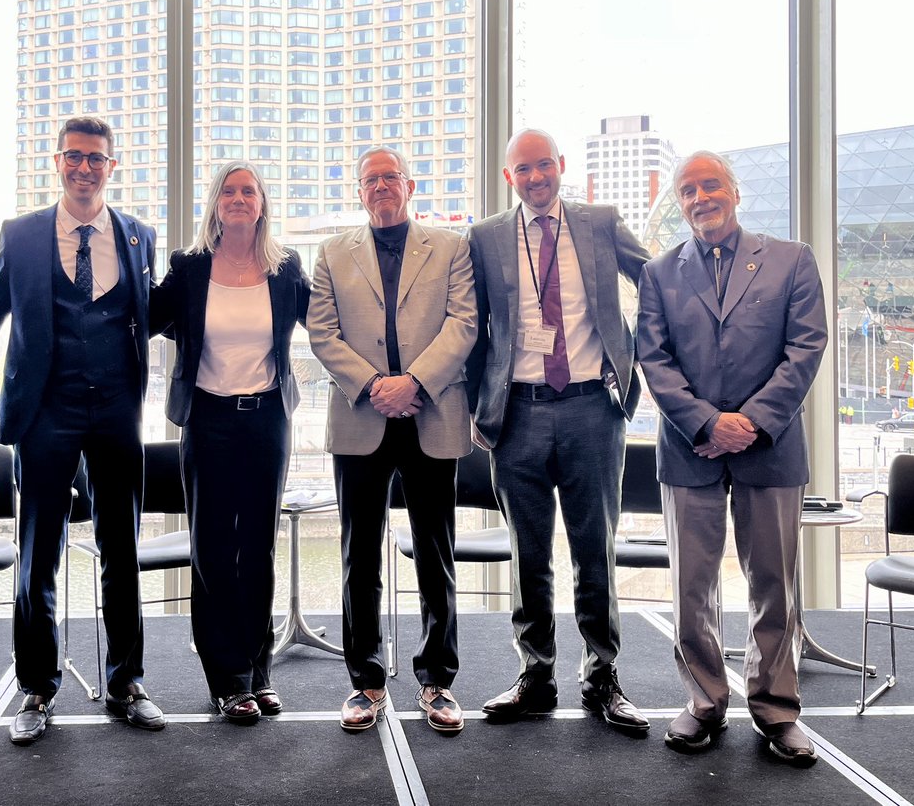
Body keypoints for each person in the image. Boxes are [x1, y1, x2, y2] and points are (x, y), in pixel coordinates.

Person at [637, 151, 827, 764]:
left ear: (735, 191)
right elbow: (654, 359)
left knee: (774, 583)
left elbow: (805, 347)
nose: (700, 198)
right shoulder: (659, 272)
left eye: (710, 185)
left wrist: (752, 422)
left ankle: (775, 708)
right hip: (689, 447)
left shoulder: (791, 259)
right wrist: (706, 422)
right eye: (687, 190)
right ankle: (703, 701)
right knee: (693, 586)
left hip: (768, 446)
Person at [465, 129, 650, 733]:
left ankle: (602, 677)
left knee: (594, 548)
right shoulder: (487, 237)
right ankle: (535, 675)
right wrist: (479, 403)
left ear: (561, 166)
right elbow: (471, 326)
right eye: (524, 169)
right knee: (529, 553)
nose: (536, 177)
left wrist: (641, 353)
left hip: (591, 409)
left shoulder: (599, 222)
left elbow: (659, 280)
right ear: (508, 176)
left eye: (545, 165)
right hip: (516, 411)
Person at [0, 116, 164, 743]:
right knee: (39, 554)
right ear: (57, 162)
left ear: (111, 167)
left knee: (123, 549)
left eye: (97, 158)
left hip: (118, 410)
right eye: (75, 157)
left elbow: (158, 313)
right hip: (45, 412)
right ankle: (37, 688)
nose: (85, 167)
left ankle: (127, 683)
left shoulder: (139, 236)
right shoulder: (21, 234)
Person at [308, 145, 476, 734]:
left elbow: (464, 323)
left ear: (410, 185)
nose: (380, 186)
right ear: (358, 191)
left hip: (431, 414)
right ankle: (366, 682)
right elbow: (323, 334)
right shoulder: (331, 253)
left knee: (437, 554)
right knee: (359, 556)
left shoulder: (452, 247)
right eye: (369, 179)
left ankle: (437, 680)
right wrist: (376, 385)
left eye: (390, 177)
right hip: (362, 415)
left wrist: (415, 384)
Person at [149, 161, 309, 724]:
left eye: (249, 191)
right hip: (208, 420)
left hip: (267, 419)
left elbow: (331, 324)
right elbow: (143, 319)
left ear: (262, 203)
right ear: (215, 203)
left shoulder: (286, 269)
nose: (239, 199)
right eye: (229, 191)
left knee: (259, 548)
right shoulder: (190, 268)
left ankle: (259, 671)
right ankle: (227, 680)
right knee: (214, 550)